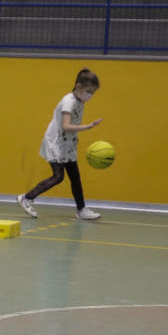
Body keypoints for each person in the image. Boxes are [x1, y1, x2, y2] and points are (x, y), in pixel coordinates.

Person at [17, 68, 103, 221]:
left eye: (93, 93)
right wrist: (88, 126)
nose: (90, 95)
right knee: (58, 176)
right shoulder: (68, 102)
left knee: (75, 177)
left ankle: (81, 210)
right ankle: (26, 198)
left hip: (67, 143)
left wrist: (75, 139)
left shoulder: (80, 101)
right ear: (78, 86)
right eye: (88, 91)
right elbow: (66, 126)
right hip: (56, 143)